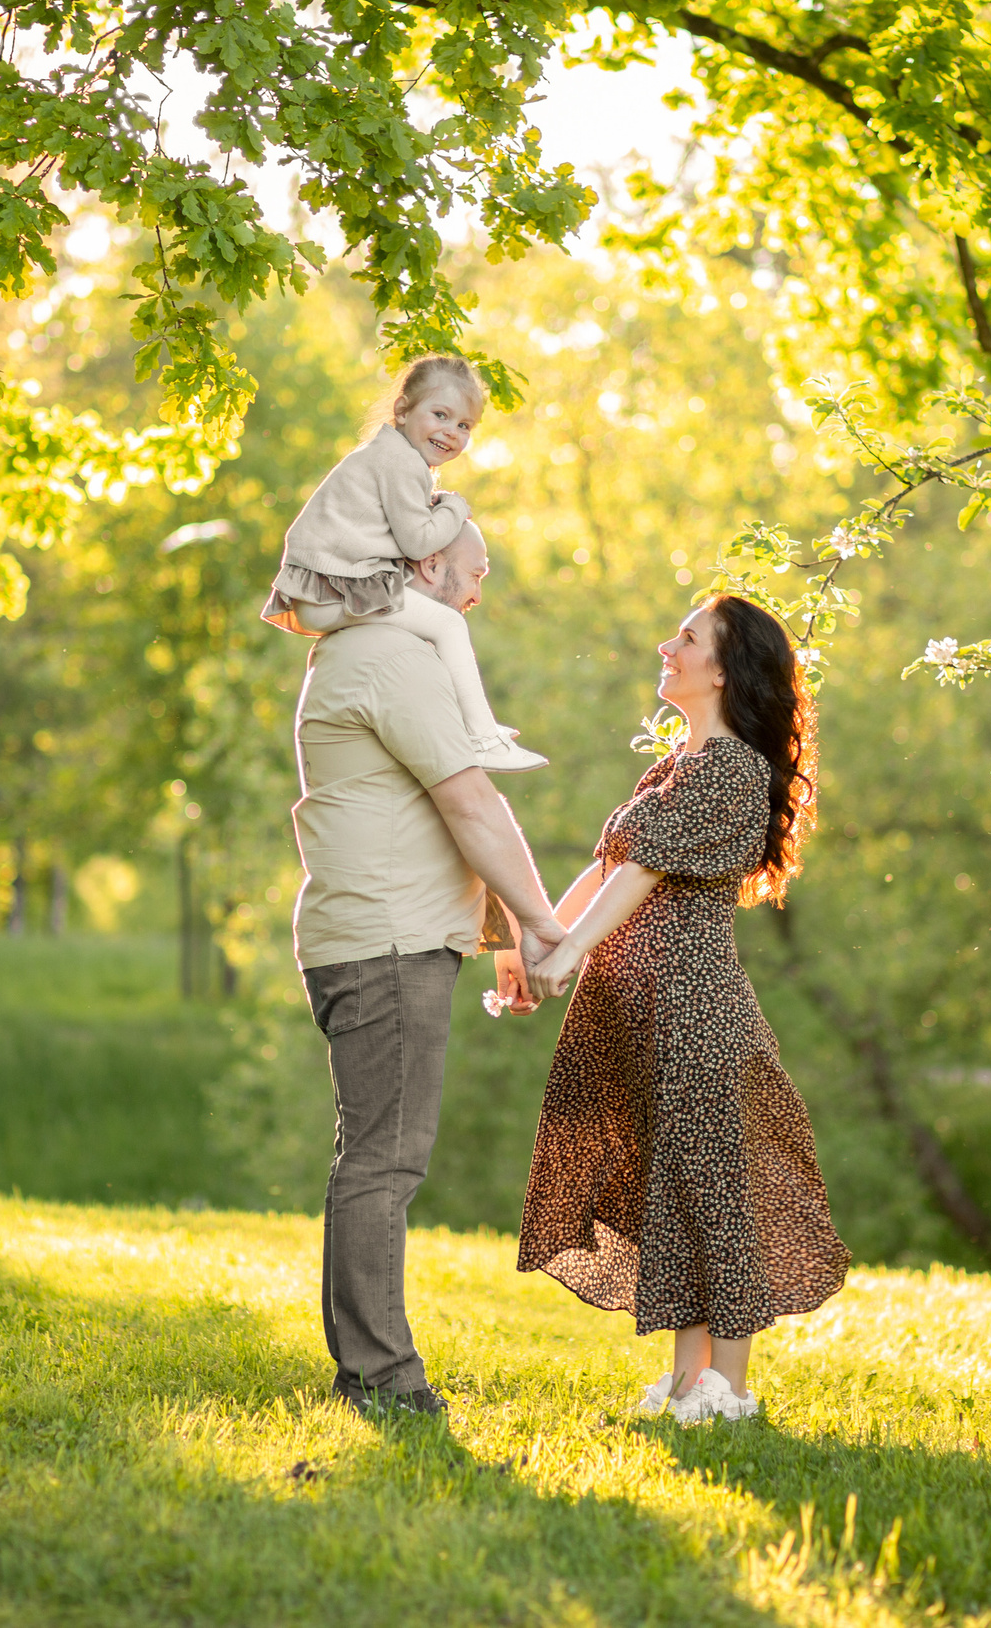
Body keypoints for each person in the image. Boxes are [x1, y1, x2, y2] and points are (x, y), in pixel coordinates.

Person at [518, 594, 849, 1425]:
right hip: (642, 1010)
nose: (667, 645)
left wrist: (565, 954)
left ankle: (727, 1390)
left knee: (714, 1189)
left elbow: (643, 875)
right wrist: (536, 945)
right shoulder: (674, 766)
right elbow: (608, 866)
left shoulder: (732, 768)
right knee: (675, 1190)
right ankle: (684, 1379)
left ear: (724, 669)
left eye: (688, 638)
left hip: (693, 1007)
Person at [289, 521, 564, 1417]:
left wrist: (501, 936)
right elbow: (470, 802)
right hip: (387, 944)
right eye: (474, 572)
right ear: (424, 565)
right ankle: (379, 1378)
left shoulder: (369, 653)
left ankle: (368, 1369)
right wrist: (541, 922)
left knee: (374, 1156)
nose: (478, 593)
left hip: (384, 934)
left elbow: (428, 818)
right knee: (385, 1161)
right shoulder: (393, 658)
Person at [262, 355, 547, 773]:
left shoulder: (389, 455)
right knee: (448, 624)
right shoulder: (400, 462)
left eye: (464, 426)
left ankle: (477, 730)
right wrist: (454, 506)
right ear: (402, 410)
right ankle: (483, 740)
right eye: (440, 415)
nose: (451, 431)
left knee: (420, 627)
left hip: (327, 587)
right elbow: (418, 542)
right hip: (332, 587)